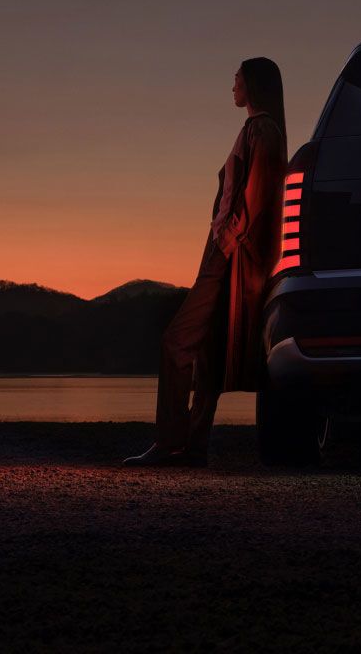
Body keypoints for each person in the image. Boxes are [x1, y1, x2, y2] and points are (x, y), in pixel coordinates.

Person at [125, 57, 288, 467]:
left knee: (177, 340)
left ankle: (169, 442)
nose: (232, 85)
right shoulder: (258, 130)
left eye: (237, 79)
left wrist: (224, 244)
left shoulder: (261, 130)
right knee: (208, 352)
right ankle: (193, 446)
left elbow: (252, 200)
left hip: (228, 255)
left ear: (252, 84)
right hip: (225, 252)